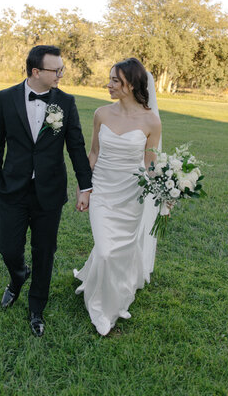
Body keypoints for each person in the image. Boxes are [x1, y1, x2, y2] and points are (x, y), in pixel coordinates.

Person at [0, 45, 92, 337]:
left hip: (49, 191)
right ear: (36, 72)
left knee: (44, 251)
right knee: (7, 247)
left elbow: (76, 146)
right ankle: (18, 275)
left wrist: (86, 185)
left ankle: (36, 308)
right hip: (12, 189)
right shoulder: (6, 98)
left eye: (61, 69)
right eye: (56, 70)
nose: (61, 74)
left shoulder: (66, 103)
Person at [73, 57, 161, 335]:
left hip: (130, 195)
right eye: (110, 78)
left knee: (120, 249)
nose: (108, 85)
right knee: (106, 249)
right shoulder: (101, 113)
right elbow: (94, 153)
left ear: (132, 85)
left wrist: (166, 190)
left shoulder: (151, 121)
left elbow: (150, 164)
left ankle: (116, 290)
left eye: (115, 80)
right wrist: (83, 189)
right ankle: (102, 308)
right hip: (102, 190)